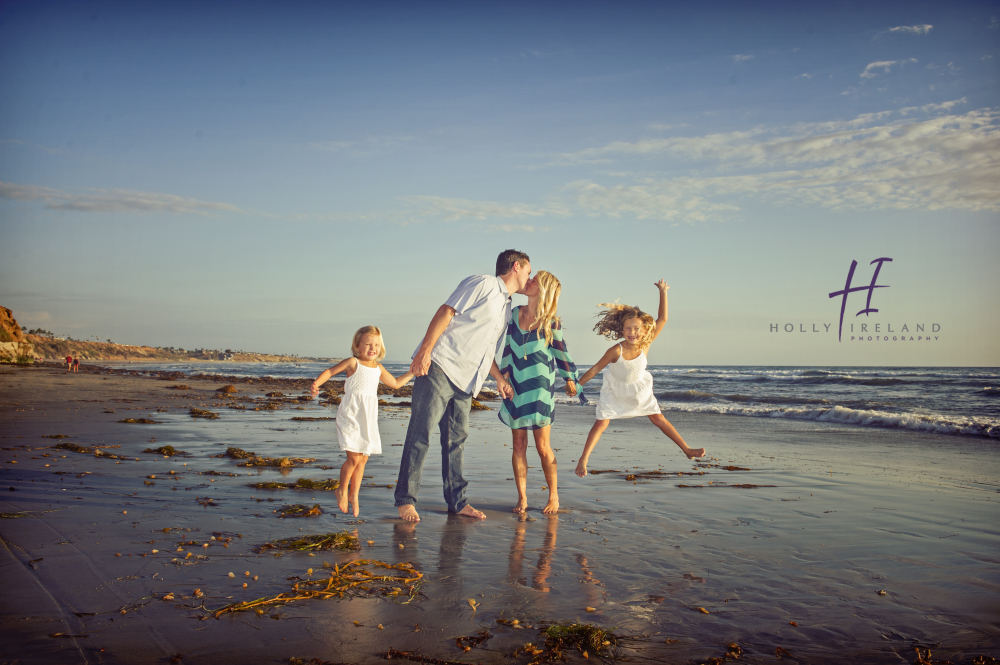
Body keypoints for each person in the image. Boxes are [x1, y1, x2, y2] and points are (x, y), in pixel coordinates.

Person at [394, 249, 530, 522]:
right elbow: (447, 310)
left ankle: (457, 502)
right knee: (421, 433)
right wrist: (425, 351)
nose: (530, 276)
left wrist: (499, 379)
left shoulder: (506, 306)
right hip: (441, 367)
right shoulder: (483, 283)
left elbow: (485, 349)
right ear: (516, 266)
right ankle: (406, 500)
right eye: (528, 271)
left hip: (467, 382)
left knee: (456, 442)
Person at [574, 280, 705, 477]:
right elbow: (595, 369)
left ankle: (686, 450)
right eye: (628, 329)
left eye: (636, 329)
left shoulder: (646, 342)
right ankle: (583, 460)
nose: (632, 333)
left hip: (639, 390)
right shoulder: (615, 350)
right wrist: (576, 385)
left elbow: (663, 318)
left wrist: (663, 292)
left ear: (644, 330)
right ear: (622, 330)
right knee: (602, 422)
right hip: (615, 390)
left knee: (658, 418)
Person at [310, 326, 413, 517]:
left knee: (363, 459)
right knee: (354, 458)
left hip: (368, 417)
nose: (372, 348)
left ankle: (354, 495)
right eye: (367, 344)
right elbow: (330, 371)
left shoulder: (378, 368)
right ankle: (342, 490)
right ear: (357, 347)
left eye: (376, 344)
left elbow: (396, 384)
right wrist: (317, 383)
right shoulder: (353, 362)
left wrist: (412, 372)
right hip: (351, 413)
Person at [498, 270, 578, 515]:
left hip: (541, 389)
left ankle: (553, 496)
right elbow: (507, 349)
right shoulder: (513, 314)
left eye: (535, 281)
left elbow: (562, 353)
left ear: (543, 290)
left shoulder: (551, 323)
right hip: (516, 387)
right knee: (518, 445)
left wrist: (570, 380)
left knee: (543, 447)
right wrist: (503, 377)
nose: (529, 281)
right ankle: (522, 498)